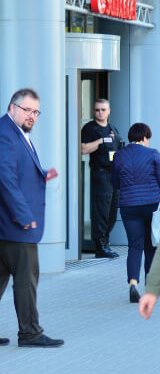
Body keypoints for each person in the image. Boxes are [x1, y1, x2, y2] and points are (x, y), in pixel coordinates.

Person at [0, 88, 64, 349]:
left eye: (36, 112)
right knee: (26, 277)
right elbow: (4, 178)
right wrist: (23, 215)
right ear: (12, 107)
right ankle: (30, 333)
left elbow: (12, 172)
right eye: (27, 110)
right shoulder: (4, 133)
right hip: (11, 223)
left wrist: (41, 175)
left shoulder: (14, 132)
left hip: (3, 221)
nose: (32, 116)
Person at [111, 122, 160, 303]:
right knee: (151, 246)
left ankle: (133, 283)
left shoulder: (119, 156)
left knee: (135, 246)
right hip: (151, 205)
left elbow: (115, 183)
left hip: (129, 207)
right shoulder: (153, 154)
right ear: (145, 137)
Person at [81, 98, 121, 258]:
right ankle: (100, 246)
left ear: (109, 111)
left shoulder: (113, 128)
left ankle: (106, 241)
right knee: (102, 210)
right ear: (93, 111)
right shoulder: (89, 128)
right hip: (100, 173)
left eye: (103, 109)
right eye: (97, 110)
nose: (100, 112)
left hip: (114, 173)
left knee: (112, 210)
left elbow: (119, 147)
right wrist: (101, 140)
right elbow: (83, 149)